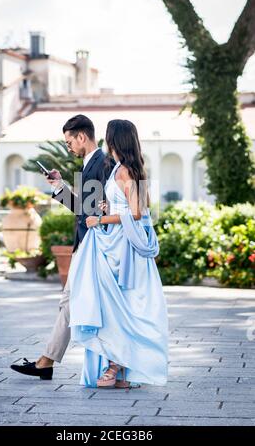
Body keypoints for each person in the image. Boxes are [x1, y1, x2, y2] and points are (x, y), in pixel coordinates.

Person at [10, 114, 115, 380]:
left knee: (78, 302)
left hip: (93, 245)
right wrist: (59, 186)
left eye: (70, 142)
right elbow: (85, 209)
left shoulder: (102, 164)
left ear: (82, 136)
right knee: (69, 301)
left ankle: (109, 364)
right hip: (86, 244)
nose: (69, 147)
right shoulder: (91, 164)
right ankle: (46, 362)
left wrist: (63, 189)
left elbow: (92, 212)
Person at [67, 119, 169, 389]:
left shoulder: (126, 171)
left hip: (122, 247)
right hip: (113, 244)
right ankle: (119, 366)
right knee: (113, 305)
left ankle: (117, 365)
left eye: (108, 136)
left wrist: (100, 220)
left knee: (118, 306)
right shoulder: (118, 171)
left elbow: (137, 212)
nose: (105, 140)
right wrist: (105, 206)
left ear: (115, 139)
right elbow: (123, 205)